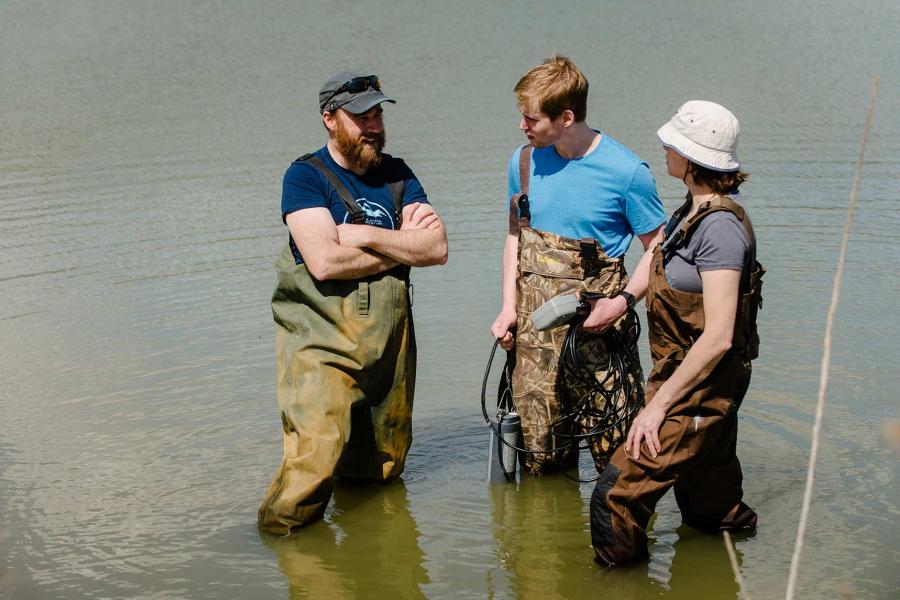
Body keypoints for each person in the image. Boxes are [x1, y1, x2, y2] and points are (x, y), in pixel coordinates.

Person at [258, 71, 448, 535]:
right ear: (330, 119)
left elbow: (437, 249)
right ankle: (283, 545)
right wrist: (401, 243)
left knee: (383, 468)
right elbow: (324, 261)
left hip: (390, 348)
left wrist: (364, 235)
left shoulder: (397, 173)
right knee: (312, 465)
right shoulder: (305, 176)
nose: (374, 125)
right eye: (361, 116)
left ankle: (374, 563)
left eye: (378, 113)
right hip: (321, 347)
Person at [589, 100, 764, 565]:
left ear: (692, 159)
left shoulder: (721, 230)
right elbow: (658, 254)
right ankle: (726, 569)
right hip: (686, 377)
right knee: (711, 509)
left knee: (615, 499)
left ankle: (618, 589)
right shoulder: (691, 210)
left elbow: (719, 336)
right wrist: (623, 300)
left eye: (673, 143)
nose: (664, 146)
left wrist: (657, 408)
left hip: (702, 388)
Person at [490, 55, 665, 476]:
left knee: (621, 462)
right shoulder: (525, 163)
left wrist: (621, 303)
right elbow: (516, 236)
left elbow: (658, 248)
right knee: (539, 463)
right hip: (533, 344)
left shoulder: (626, 172)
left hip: (599, 342)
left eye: (531, 119)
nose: (522, 126)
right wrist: (508, 308)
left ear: (566, 117)